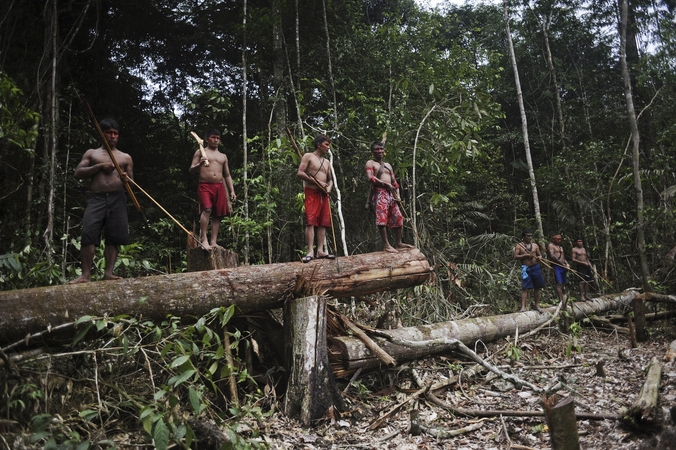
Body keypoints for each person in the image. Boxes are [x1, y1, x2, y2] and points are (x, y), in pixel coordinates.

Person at [69, 119, 133, 284]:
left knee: (114, 237)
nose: (112, 136)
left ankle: (108, 273)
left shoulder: (125, 157)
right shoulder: (92, 153)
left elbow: (132, 184)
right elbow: (78, 173)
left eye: (115, 133)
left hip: (117, 198)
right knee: (89, 234)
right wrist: (98, 167)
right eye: (109, 133)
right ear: (102, 134)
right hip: (96, 197)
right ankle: (85, 275)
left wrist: (126, 179)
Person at [189, 128, 236, 251]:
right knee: (207, 210)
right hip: (205, 185)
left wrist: (231, 190)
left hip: (219, 186)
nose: (216, 140)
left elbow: (227, 175)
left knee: (217, 214)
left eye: (218, 138)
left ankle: (213, 242)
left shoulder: (223, 156)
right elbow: (191, 170)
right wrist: (199, 164)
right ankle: (204, 240)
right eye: (213, 137)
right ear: (206, 139)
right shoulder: (200, 152)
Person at [365, 141, 414, 253]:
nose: (379, 151)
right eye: (377, 149)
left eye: (381, 149)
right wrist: (384, 184)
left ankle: (398, 243)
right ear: (372, 152)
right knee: (382, 219)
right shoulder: (370, 163)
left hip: (391, 194)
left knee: (398, 217)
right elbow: (370, 177)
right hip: (379, 192)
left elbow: (395, 182)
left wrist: (398, 195)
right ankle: (386, 245)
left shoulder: (388, 165)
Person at [297, 134, 335, 263]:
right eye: (326, 145)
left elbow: (330, 180)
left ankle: (320, 250)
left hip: (324, 194)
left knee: (323, 222)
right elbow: (300, 173)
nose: (328, 148)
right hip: (312, 192)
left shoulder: (327, 162)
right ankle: (310, 251)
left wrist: (329, 188)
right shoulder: (308, 156)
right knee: (310, 221)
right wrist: (317, 181)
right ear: (319, 144)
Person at [514, 229, 546, 313]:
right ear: (524, 237)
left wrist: (539, 257)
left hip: (535, 267)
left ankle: (536, 305)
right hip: (526, 268)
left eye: (531, 236)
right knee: (525, 288)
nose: (530, 237)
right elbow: (515, 256)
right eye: (528, 236)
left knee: (537, 287)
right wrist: (525, 255)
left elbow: (540, 255)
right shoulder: (519, 246)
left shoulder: (535, 245)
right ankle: (523, 307)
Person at [547, 234, 569, 304]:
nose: (559, 240)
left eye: (560, 239)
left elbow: (563, 257)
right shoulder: (551, 245)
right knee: (559, 283)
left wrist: (567, 264)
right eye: (558, 239)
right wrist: (562, 264)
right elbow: (552, 256)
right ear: (553, 239)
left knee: (563, 283)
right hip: (556, 266)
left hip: (563, 266)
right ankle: (561, 301)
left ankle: (564, 300)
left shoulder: (560, 247)